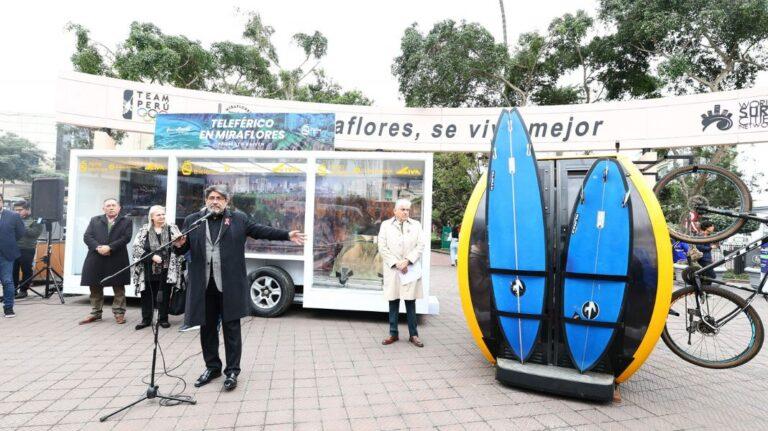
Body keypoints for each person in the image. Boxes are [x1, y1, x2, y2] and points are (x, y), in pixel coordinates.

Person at [173, 185, 306, 391]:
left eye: (219, 198)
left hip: (230, 284)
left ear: (227, 201)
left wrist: (287, 234)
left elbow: (261, 230)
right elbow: (183, 248)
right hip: (203, 284)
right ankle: (212, 367)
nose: (214, 201)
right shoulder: (193, 220)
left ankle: (232, 371)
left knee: (231, 328)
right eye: (211, 197)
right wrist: (180, 244)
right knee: (206, 328)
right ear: (206, 200)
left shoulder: (238, 219)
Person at [378, 198, 427, 347]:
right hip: (393, 269)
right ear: (395, 211)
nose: (406, 212)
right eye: (403, 209)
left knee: (410, 302)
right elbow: (382, 246)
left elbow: (421, 244)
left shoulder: (416, 225)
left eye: (408, 210)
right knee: (393, 301)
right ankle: (393, 333)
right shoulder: (386, 225)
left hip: (410, 269)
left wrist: (407, 260)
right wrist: (397, 263)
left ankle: (414, 335)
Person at [79, 198, 132, 325]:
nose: (111, 207)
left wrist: (110, 247)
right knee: (95, 285)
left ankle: (119, 313)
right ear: (103, 208)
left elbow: (126, 237)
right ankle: (96, 313)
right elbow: (87, 236)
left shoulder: (126, 221)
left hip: (117, 257)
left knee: (118, 286)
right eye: (108, 205)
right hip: (96, 257)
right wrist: (98, 248)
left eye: (114, 205)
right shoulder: (95, 220)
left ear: (119, 208)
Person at [131, 205, 182, 330]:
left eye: (163, 214)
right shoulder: (145, 230)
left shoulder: (172, 228)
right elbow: (136, 248)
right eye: (158, 215)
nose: (162, 217)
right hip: (148, 268)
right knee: (147, 294)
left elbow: (179, 245)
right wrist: (152, 257)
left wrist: (179, 242)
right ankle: (146, 319)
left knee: (164, 294)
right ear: (152, 217)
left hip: (167, 268)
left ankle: (163, 319)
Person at [0, 193, 27, 318]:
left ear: (2, 202)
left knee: (7, 281)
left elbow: (20, 233)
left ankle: (8, 308)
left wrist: (8, 242)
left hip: (5, 254)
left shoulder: (13, 216)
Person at [13, 200, 43, 299]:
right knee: (13, 270)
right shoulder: (14, 218)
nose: (17, 212)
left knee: (26, 270)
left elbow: (35, 233)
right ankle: (13, 290)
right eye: (15, 210)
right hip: (13, 248)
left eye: (20, 210)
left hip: (27, 249)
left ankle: (23, 290)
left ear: (28, 209)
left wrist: (21, 226)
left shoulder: (37, 219)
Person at [696, 220, 717, 285]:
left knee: (707, 275)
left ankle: (705, 292)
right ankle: (704, 290)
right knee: (712, 276)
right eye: (712, 226)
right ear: (707, 227)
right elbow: (699, 247)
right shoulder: (701, 236)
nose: (713, 227)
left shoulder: (706, 235)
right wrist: (711, 247)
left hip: (706, 259)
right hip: (703, 259)